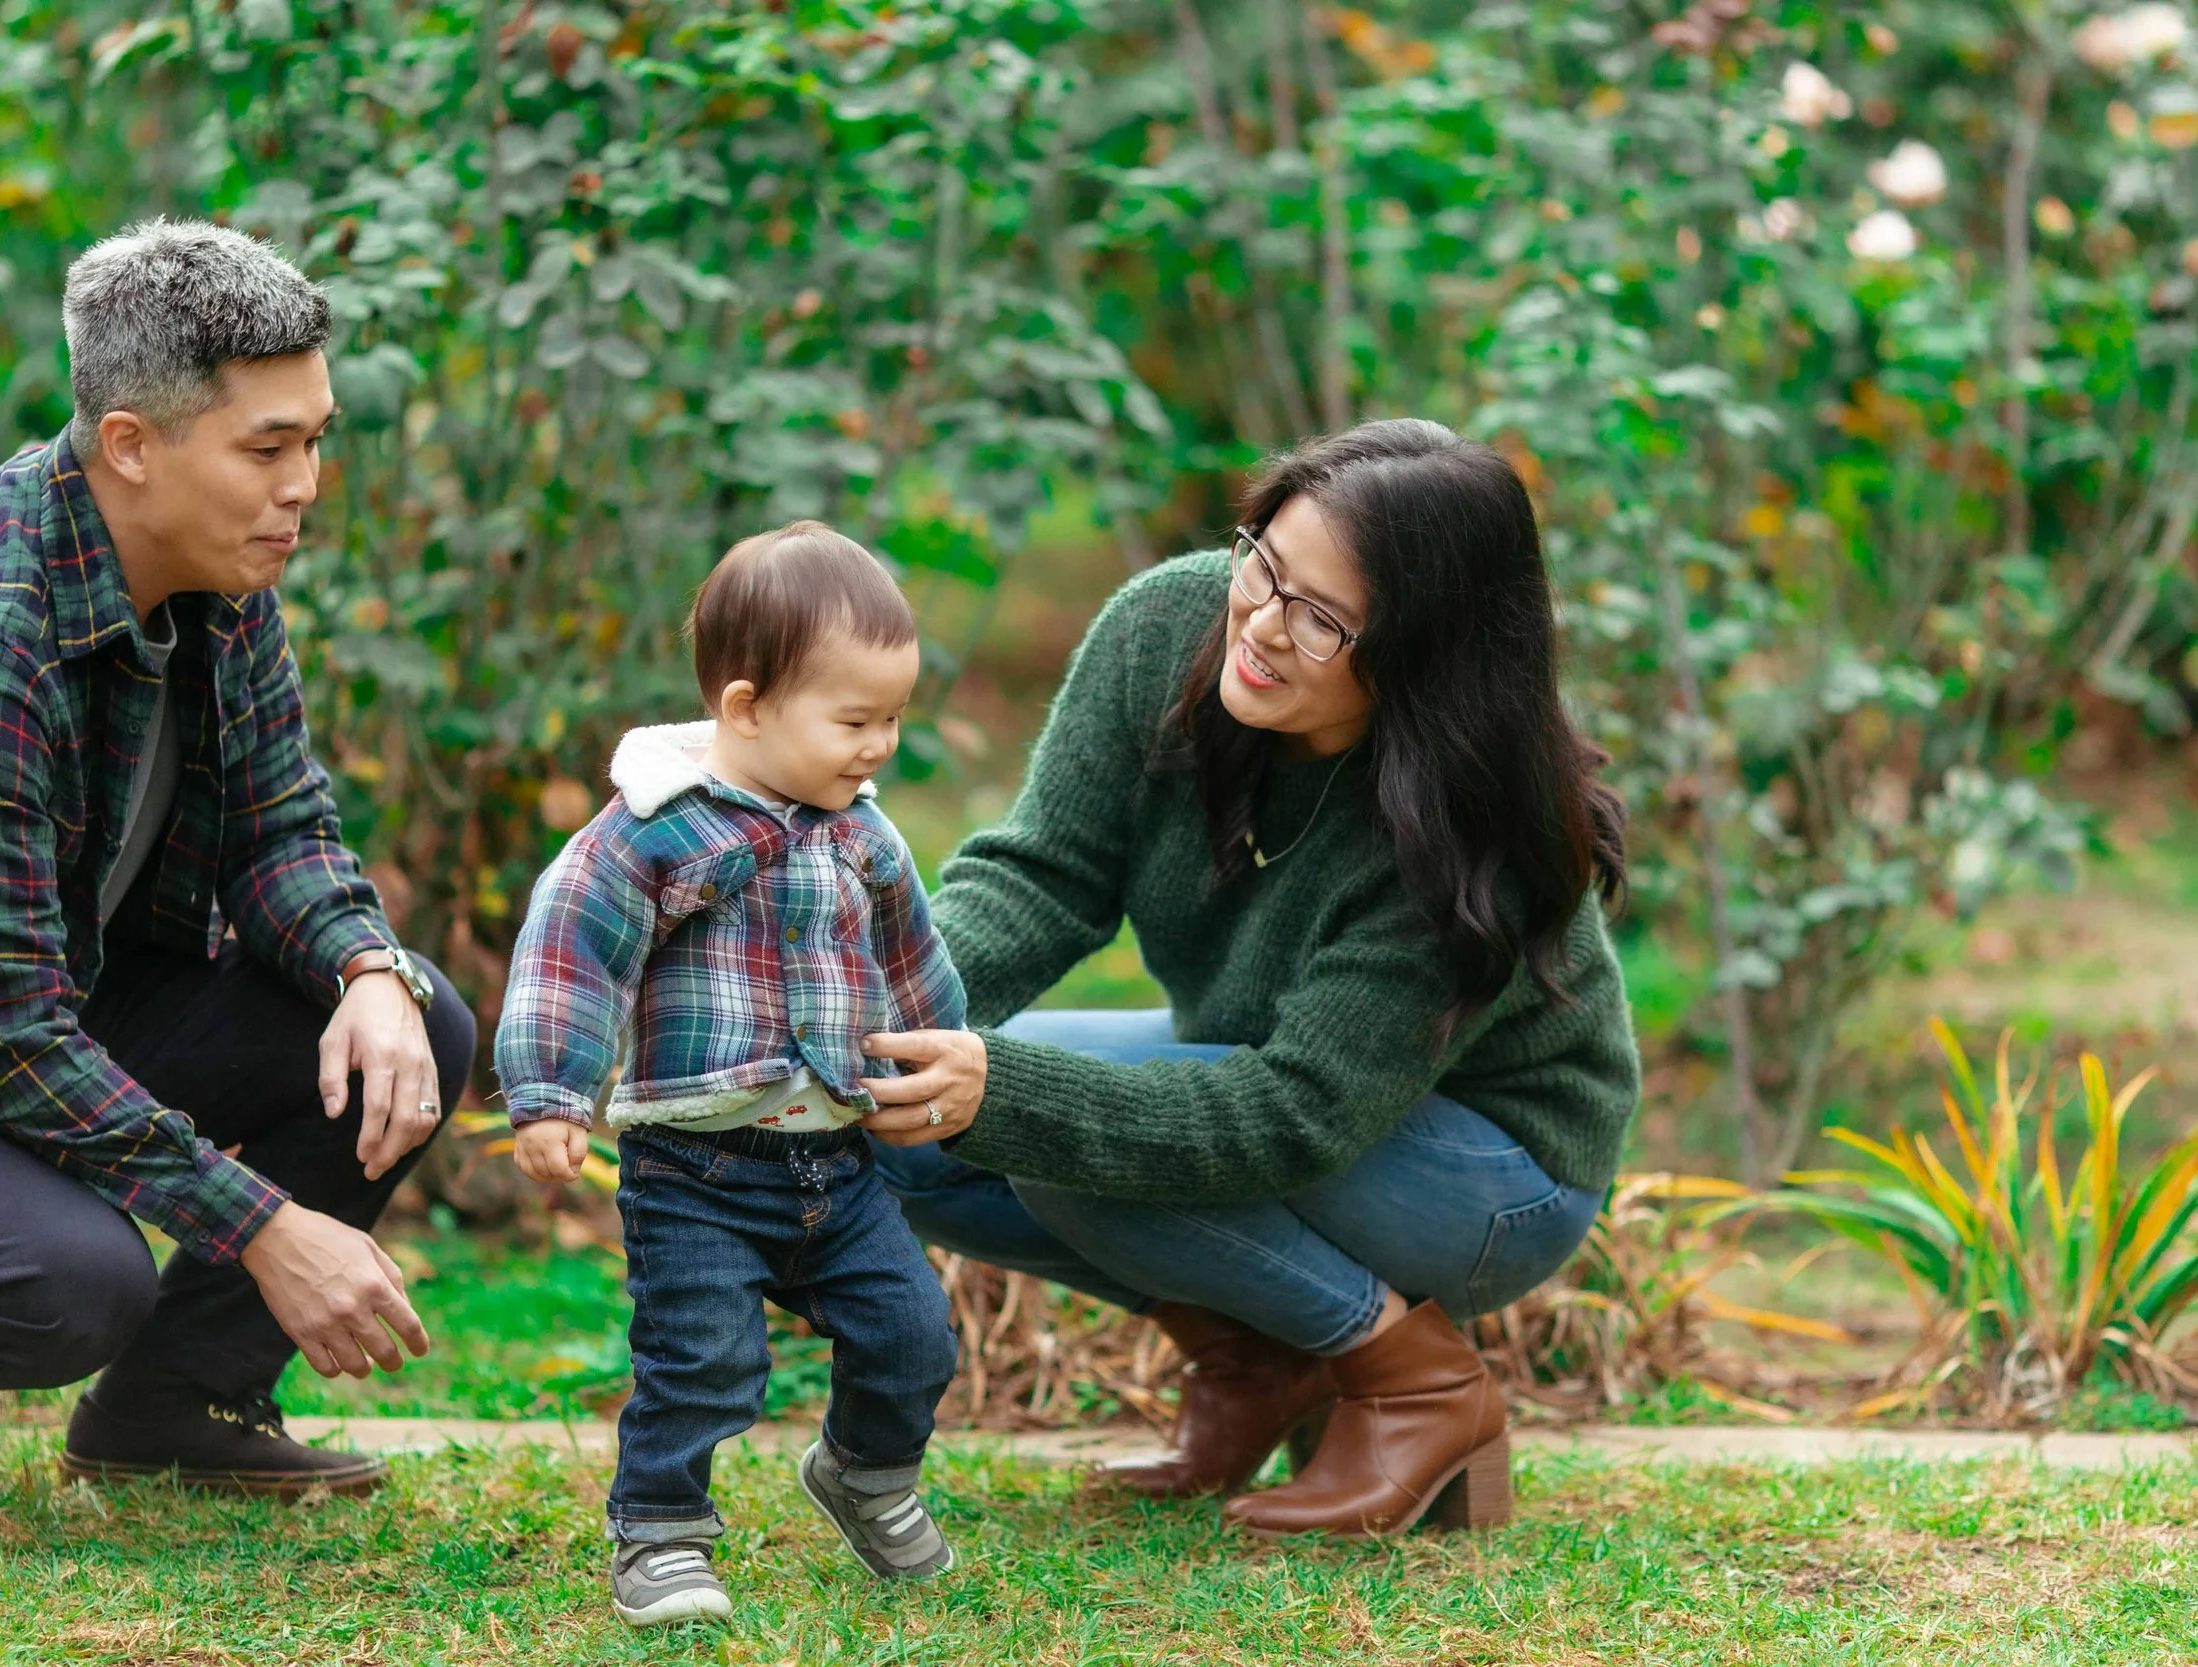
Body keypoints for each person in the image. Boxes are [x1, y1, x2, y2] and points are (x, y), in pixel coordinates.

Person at [0, 220, 476, 1528]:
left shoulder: (222, 567)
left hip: (53, 998)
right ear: (131, 444)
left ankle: (175, 1402)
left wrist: (368, 966)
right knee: (72, 1278)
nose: (307, 484)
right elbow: (3, 1042)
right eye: (268, 448)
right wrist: (267, 1225)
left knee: (413, 1027)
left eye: (317, 437)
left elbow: (282, 826)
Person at [855, 420, 1640, 1537]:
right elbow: (1045, 873)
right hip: (1272, 1084)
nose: (1262, 625)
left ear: (1424, 654)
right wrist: (866, 1008)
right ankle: (1256, 1357)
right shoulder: (1167, 625)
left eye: (1322, 618)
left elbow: (1295, 1113)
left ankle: (1419, 1384)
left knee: (1069, 1136)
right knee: (900, 1114)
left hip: (1489, 1169)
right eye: (1262, 563)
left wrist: (1010, 1095)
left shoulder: (1467, 830)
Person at [499, 522, 964, 1627]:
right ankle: (660, 1530)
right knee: (703, 1356)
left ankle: (866, 1471)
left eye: (893, 717)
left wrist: (938, 1067)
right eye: (855, 720)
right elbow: (571, 949)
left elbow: (913, 962)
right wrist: (552, 1092)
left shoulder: (866, 838)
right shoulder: (653, 833)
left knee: (912, 1334)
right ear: (746, 705)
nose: (880, 746)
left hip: (840, 1162)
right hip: (696, 1164)